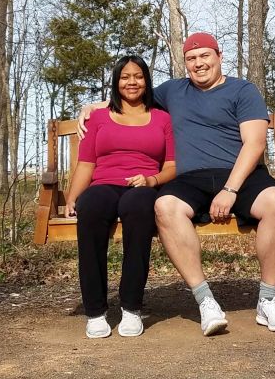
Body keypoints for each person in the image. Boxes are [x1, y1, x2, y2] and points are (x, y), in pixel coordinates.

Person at [79, 33, 275, 336]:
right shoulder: (173, 91)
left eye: (205, 56)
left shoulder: (242, 90)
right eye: (191, 59)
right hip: (189, 179)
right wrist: (92, 106)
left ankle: (268, 300)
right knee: (165, 206)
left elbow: (255, 143)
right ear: (185, 64)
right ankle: (205, 301)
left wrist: (230, 190)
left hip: (240, 175)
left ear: (219, 57)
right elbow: (131, 94)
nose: (199, 63)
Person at [65, 54, 176, 339]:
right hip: (103, 184)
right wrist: (71, 198)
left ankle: (131, 308)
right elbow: (86, 164)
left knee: (138, 207)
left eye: (138, 76)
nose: (132, 82)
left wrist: (152, 180)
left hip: (141, 186)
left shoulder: (162, 118)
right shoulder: (99, 117)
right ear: (116, 82)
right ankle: (96, 312)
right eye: (125, 76)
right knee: (90, 206)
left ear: (146, 81)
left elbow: (172, 166)